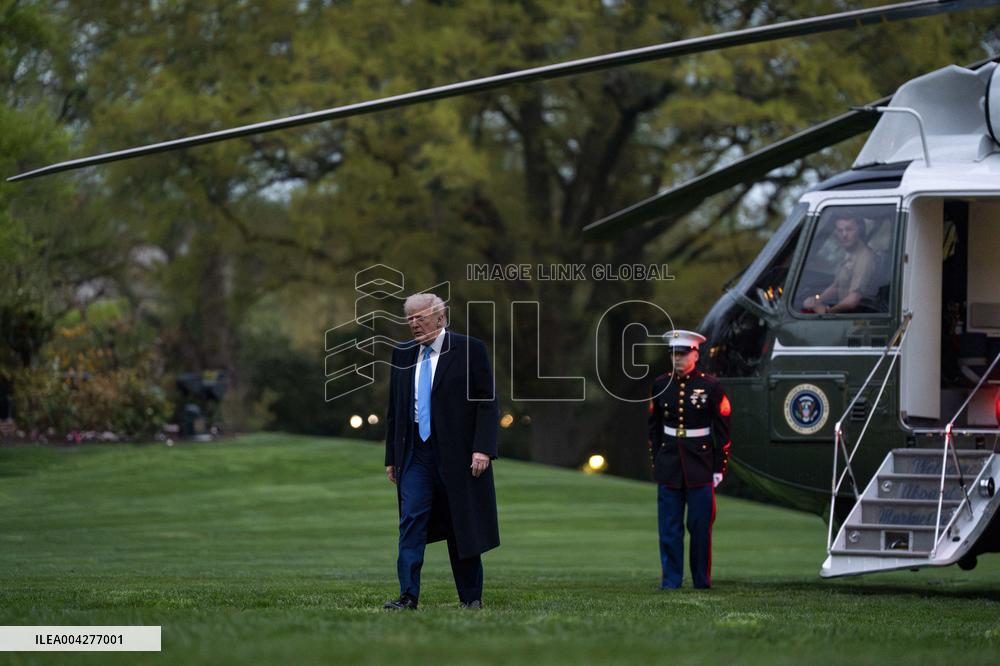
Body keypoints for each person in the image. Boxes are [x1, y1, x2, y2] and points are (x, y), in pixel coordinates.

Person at [382, 293, 499, 610]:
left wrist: (483, 449)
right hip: (415, 454)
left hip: (458, 454)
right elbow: (395, 409)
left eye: (420, 317)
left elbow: (487, 402)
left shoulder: (470, 349)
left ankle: (471, 598)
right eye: (410, 318)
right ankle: (408, 596)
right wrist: (392, 457)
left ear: (441, 318)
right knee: (410, 521)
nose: (414, 324)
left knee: (463, 524)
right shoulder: (402, 353)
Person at [648, 330, 731, 589]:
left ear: (695, 355)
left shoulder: (711, 387)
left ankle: (701, 580)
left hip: (700, 465)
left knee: (700, 527)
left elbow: (723, 431)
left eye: (682, 354)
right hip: (670, 464)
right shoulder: (660, 385)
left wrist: (718, 467)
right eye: (673, 354)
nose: (677, 359)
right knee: (669, 527)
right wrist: (657, 461)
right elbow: (654, 428)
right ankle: (671, 580)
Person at [803, 216, 876, 314]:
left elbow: (853, 299)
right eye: (840, 230)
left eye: (849, 229)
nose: (844, 234)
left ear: (859, 230)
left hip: (855, 317)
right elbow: (837, 286)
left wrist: (828, 312)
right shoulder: (850, 253)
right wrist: (817, 300)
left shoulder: (864, 258)